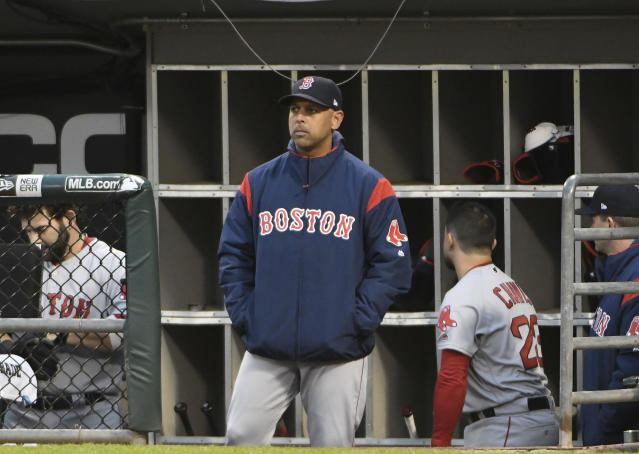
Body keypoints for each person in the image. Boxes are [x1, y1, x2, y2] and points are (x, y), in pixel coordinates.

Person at [217, 75, 411, 447]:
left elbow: (392, 263)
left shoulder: (369, 185)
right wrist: (248, 316)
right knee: (241, 436)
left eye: (311, 110)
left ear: (336, 119)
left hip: (337, 350)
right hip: (269, 345)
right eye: (294, 109)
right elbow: (233, 256)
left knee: (332, 445)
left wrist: (358, 320)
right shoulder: (257, 183)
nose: (299, 118)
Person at [431, 201, 558, 447]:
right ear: (493, 245)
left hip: (505, 427)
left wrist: (439, 442)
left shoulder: (462, 294)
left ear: (449, 240)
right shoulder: (514, 287)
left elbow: (452, 376)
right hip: (542, 421)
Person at [3, 204, 127, 429]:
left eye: (40, 230)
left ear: (69, 218)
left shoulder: (112, 264)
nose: (34, 241)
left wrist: (58, 336)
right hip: (22, 411)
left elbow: (124, 335)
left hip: (91, 410)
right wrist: (14, 351)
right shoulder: (20, 263)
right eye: (27, 232)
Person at [575, 184, 639, 445]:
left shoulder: (633, 280)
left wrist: (599, 433)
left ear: (610, 224)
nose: (589, 230)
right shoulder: (619, 274)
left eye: (593, 219)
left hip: (618, 442)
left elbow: (632, 376)